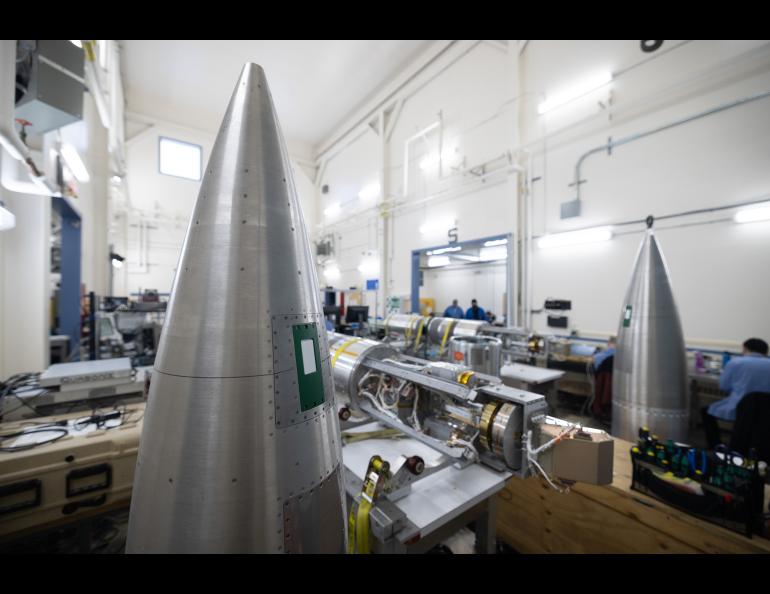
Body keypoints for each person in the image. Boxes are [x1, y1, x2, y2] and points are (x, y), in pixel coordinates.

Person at [701, 338, 770, 449]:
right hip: (766, 412)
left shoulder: (736, 362)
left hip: (741, 407)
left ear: (746, 349)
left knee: (706, 411)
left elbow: (724, 386)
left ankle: (716, 446)